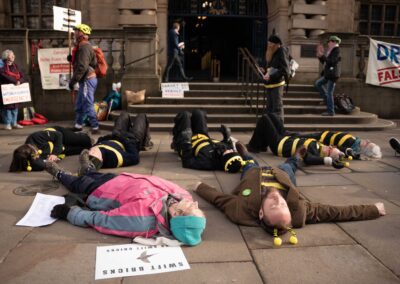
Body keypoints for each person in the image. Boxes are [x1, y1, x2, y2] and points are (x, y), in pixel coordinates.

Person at [195, 142, 385, 246]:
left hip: (254, 176)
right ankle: (297, 157)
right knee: (288, 166)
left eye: (273, 205)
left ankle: (246, 155)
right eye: (283, 205)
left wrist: (199, 187)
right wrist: (373, 210)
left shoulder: (240, 210)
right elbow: (335, 212)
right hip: (282, 176)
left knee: (250, 164)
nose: (278, 199)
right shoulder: (299, 210)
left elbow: (218, 199)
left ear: (261, 214)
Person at [43, 161, 206, 246]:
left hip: (101, 191)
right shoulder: (180, 197)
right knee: (92, 174)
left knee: (77, 182)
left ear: (176, 214)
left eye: (193, 208)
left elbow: (103, 220)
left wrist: (70, 213)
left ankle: (59, 173)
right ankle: (87, 167)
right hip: (121, 179)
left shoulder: (142, 220)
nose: (195, 203)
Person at [247, 113, 348, 168]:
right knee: (272, 115)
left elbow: (309, 160)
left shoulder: (314, 153)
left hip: (279, 144)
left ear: (326, 156)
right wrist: (345, 151)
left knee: (265, 119)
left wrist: (328, 161)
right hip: (286, 136)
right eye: (332, 147)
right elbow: (334, 147)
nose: (329, 147)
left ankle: (254, 146)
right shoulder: (320, 145)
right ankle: (262, 144)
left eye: (330, 150)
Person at [78, 111, 153, 175]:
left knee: (124, 114)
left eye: (89, 153)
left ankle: (87, 167)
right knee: (142, 116)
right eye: (92, 154)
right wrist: (123, 138)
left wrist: (113, 136)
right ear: (100, 159)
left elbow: (101, 139)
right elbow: (134, 157)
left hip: (116, 135)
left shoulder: (95, 149)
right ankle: (145, 144)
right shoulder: (113, 158)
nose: (91, 151)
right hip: (132, 139)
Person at [171, 109, 243, 173]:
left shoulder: (207, 162)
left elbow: (188, 162)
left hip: (188, 140)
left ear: (226, 157)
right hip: (203, 136)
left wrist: (186, 142)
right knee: (199, 113)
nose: (231, 150)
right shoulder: (225, 151)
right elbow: (227, 144)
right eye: (232, 151)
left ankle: (176, 142)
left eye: (230, 152)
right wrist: (226, 137)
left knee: (185, 115)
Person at [9, 126, 92, 172]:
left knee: (86, 142)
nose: (38, 154)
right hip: (60, 149)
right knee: (85, 149)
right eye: (35, 155)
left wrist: (54, 154)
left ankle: (83, 135)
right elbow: (41, 165)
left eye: (36, 151)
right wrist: (50, 160)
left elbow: (58, 135)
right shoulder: (30, 162)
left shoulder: (34, 137)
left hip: (58, 135)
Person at [68, 24, 99, 134]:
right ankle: (78, 125)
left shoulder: (84, 47)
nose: (74, 33)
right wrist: (73, 58)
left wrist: (73, 81)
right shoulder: (83, 46)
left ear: (82, 33)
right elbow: (90, 62)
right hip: (86, 80)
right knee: (80, 104)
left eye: (76, 31)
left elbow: (82, 67)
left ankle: (95, 126)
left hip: (87, 80)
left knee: (87, 103)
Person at [262, 35, 290, 124]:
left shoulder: (281, 51)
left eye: (271, 43)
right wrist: (264, 71)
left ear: (276, 44)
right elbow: (272, 67)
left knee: (277, 108)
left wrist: (271, 76)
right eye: (268, 43)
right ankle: (271, 127)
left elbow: (285, 69)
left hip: (277, 84)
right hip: (270, 83)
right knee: (270, 108)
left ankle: (279, 128)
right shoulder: (272, 52)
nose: (269, 45)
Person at [0, 49, 27, 130]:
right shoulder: (2, 67)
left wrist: (19, 81)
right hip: (6, 92)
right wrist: (15, 81)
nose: (13, 56)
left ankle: (14, 123)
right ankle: (7, 123)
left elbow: (23, 76)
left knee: (15, 108)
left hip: (15, 92)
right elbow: (4, 76)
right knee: (7, 109)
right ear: (7, 57)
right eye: (12, 55)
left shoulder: (15, 66)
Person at [315, 35, 342, 116]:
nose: (328, 44)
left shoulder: (337, 50)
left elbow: (332, 62)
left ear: (334, 42)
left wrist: (323, 56)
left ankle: (331, 111)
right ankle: (327, 100)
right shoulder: (331, 50)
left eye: (329, 42)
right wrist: (320, 56)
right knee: (318, 84)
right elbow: (326, 63)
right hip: (328, 74)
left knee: (329, 92)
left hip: (332, 75)